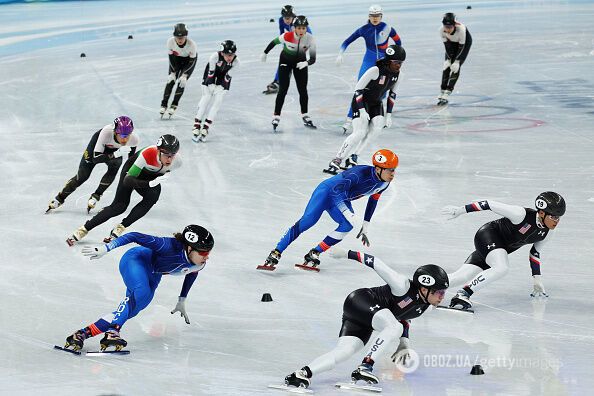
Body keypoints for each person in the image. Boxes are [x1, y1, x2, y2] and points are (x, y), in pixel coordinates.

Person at [283, 248, 449, 390]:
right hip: (361, 300)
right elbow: (376, 262)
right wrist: (346, 253)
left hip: (364, 318)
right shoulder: (403, 285)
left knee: (344, 352)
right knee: (393, 327)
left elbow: (405, 318)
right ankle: (365, 366)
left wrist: (404, 342)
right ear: (424, 288)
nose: (442, 297)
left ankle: (301, 373)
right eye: (439, 292)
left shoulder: (425, 307)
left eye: (444, 292)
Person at [61, 225, 214, 352]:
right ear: (189, 248)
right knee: (142, 292)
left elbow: (192, 273)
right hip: (135, 260)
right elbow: (134, 235)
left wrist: (182, 299)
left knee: (132, 309)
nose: (206, 257)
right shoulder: (167, 245)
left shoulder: (199, 263)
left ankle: (81, 334)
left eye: (208, 253)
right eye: (203, 253)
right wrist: (107, 248)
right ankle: (113, 331)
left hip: (154, 273)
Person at [258, 149, 398, 272]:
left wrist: (365, 225)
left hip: (342, 199)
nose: (393, 173)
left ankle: (315, 253)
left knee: (347, 225)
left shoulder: (385, 182)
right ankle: (276, 252)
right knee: (308, 222)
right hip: (326, 193)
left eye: (394, 169)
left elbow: (373, 200)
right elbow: (337, 192)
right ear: (378, 168)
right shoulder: (358, 174)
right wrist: (348, 213)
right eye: (390, 169)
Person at [441, 192, 565, 310]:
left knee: (462, 276)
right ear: (542, 213)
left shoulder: (548, 233)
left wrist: (537, 280)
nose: (556, 221)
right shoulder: (521, 214)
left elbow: (535, 253)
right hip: (488, 235)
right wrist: (459, 210)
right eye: (553, 217)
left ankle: (428, 285)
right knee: (501, 268)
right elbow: (488, 204)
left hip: (497, 250)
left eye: (559, 217)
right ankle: (463, 293)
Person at [66, 134, 181, 246]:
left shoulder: (178, 162)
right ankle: (84, 229)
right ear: (158, 151)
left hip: (150, 175)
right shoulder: (147, 154)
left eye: (173, 154)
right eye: (166, 154)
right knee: (119, 206)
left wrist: (155, 180)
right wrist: (149, 183)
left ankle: (122, 226)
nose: (169, 158)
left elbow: (163, 171)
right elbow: (128, 181)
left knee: (153, 196)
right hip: (131, 173)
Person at [326, 45, 405, 175]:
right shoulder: (375, 70)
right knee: (360, 133)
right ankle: (337, 159)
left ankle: (354, 156)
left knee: (377, 129)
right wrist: (362, 110)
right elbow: (358, 90)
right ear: (389, 61)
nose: (399, 66)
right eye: (396, 62)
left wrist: (389, 115)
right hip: (361, 101)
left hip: (376, 103)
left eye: (401, 63)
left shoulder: (399, 75)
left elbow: (392, 94)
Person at [47, 116, 138, 214]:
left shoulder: (134, 140)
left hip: (114, 151)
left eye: (128, 135)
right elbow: (95, 159)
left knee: (116, 164)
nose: (125, 139)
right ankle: (60, 198)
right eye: (122, 136)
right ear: (115, 132)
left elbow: (130, 163)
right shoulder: (106, 133)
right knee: (82, 176)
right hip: (97, 150)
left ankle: (96, 195)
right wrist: (115, 154)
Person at [336, 5, 402, 133]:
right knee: (360, 88)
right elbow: (347, 41)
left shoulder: (388, 28)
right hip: (369, 61)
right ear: (369, 16)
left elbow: (398, 43)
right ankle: (349, 119)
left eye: (377, 16)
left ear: (381, 16)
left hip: (384, 63)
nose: (375, 18)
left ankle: (373, 116)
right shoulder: (364, 29)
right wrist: (340, 53)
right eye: (372, 16)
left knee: (382, 89)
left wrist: (395, 58)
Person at [261, 15, 317, 131]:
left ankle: (305, 115)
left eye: (304, 28)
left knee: (302, 90)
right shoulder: (287, 36)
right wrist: (265, 53)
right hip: (285, 62)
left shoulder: (310, 39)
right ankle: (276, 116)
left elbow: (313, 58)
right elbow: (274, 42)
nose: (301, 30)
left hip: (300, 63)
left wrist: (305, 63)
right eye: (299, 28)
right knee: (283, 89)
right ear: (294, 28)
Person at [191, 40, 240, 143]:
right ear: (222, 53)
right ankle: (196, 126)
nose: (229, 57)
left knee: (218, 102)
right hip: (210, 77)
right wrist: (211, 84)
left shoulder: (236, 62)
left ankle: (206, 127)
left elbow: (227, 77)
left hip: (223, 80)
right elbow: (211, 73)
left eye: (232, 55)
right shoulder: (214, 57)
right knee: (206, 98)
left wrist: (221, 87)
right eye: (227, 55)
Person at [262, 5, 312, 95]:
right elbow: (281, 32)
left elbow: (310, 35)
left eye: (289, 18)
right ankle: (277, 81)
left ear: (293, 17)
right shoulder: (281, 20)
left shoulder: (298, 23)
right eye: (285, 18)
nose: (287, 20)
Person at [159, 23, 198, 118]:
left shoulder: (192, 45)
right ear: (174, 36)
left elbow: (192, 62)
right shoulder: (170, 42)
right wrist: (172, 73)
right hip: (176, 60)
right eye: (177, 37)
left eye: (182, 38)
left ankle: (174, 104)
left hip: (188, 62)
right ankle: (164, 104)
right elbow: (171, 59)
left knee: (181, 82)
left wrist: (185, 75)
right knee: (170, 81)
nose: (180, 40)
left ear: (186, 36)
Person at [437, 13, 472, 105]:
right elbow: (447, 47)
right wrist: (448, 60)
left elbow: (461, 47)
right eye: (446, 27)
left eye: (450, 27)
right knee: (446, 67)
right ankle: (442, 90)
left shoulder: (461, 30)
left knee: (455, 68)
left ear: (455, 25)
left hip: (463, 44)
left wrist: (457, 61)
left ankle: (447, 92)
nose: (447, 29)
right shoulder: (441, 30)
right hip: (451, 43)